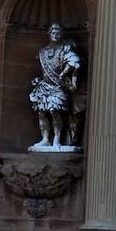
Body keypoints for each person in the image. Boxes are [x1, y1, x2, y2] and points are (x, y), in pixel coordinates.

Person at [29, 22, 82, 150]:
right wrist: (38, 79)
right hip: (43, 85)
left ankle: (57, 139)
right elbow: (42, 70)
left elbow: (75, 61)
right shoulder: (42, 51)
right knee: (41, 112)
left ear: (62, 34)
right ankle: (45, 139)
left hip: (59, 86)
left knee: (54, 111)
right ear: (49, 34)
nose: (56, 35)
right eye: (53, 32)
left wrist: (64, 74)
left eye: (58, 33)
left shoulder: (66, 49)